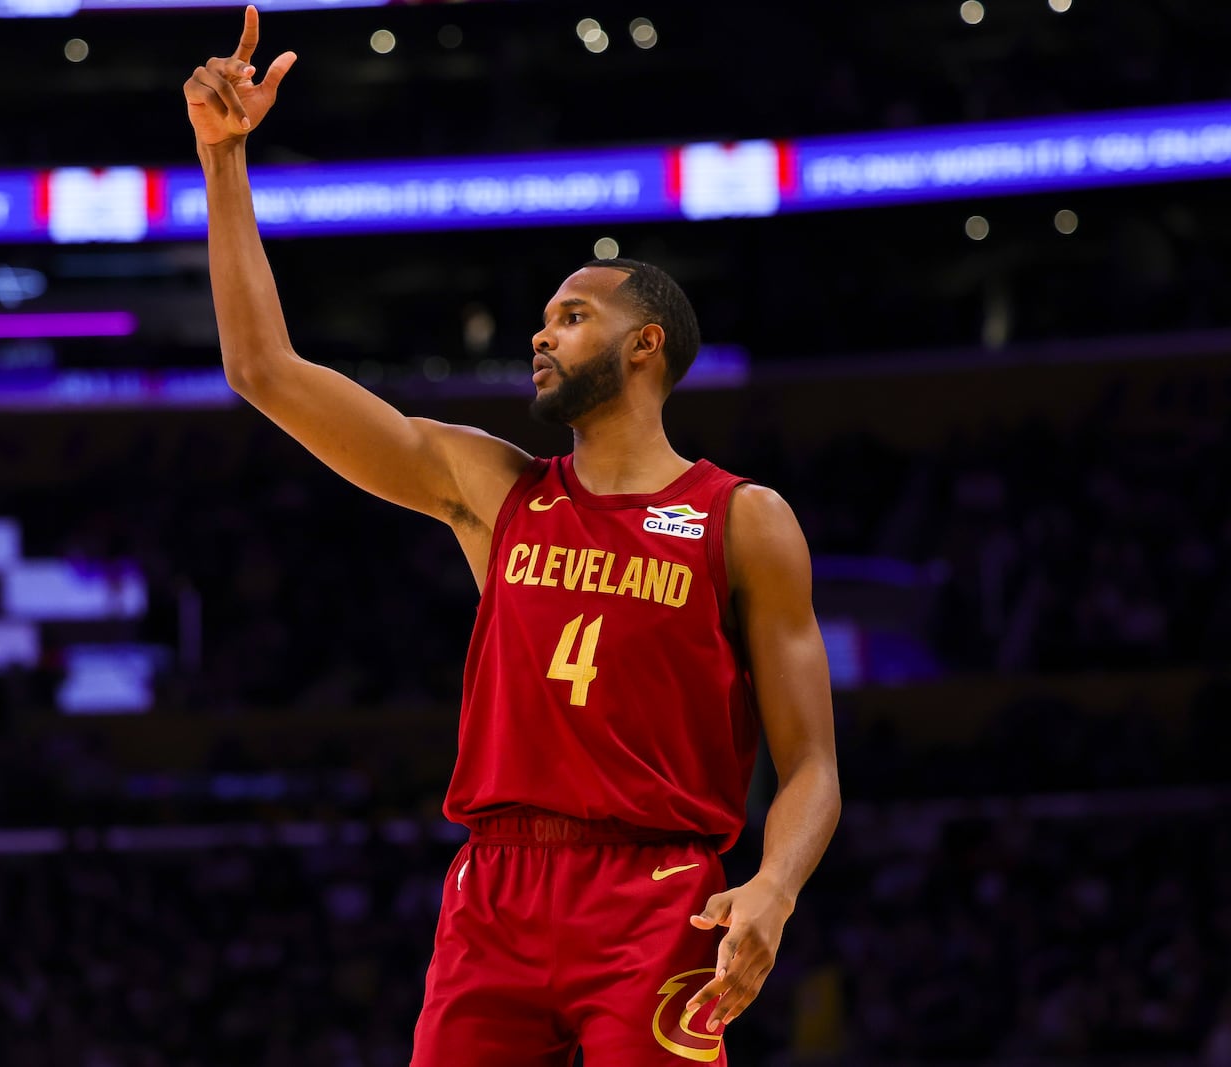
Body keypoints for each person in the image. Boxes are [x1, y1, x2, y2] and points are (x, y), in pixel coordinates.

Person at [183, 8, 841, 1064]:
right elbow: (264, 371)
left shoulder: (741, 516)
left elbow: (810, 762)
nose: (542, 330)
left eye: (572, 313)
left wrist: (772, 883)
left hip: (656, 889)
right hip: (492, 886)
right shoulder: (493, 488)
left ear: (645, 344)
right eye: (544, 316)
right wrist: (224, 164)